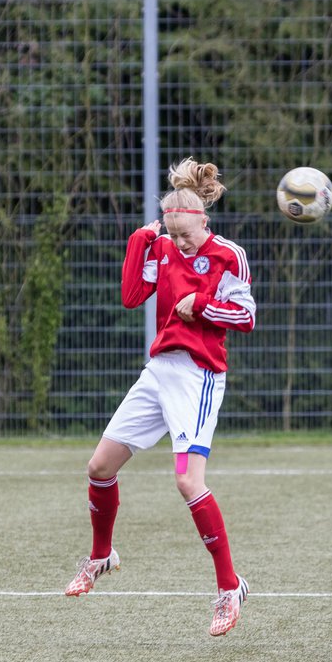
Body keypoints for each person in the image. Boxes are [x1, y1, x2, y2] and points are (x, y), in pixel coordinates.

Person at [63, 157, 255, 637]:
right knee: (99, 468)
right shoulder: (163, 245)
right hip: (158, 372)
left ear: (203, 221)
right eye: (174, 236)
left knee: (189, 484)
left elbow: (247, 317)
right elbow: (132, 295)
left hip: (199, 376)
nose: (182, 244)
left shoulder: (229, 254)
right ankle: (102, 555)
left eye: (188, 235)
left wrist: (204, 308)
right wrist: (140, 240)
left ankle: (230, 588)